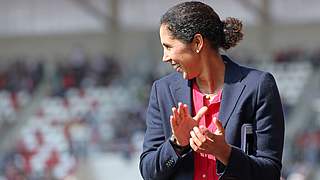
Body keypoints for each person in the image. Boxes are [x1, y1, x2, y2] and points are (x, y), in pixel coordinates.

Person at [139, 1, 284, 180]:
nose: (164, 57)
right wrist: (177, 144)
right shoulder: (162, 90)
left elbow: (270, 173)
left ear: (197, 43)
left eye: (168, 46)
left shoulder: (259, 86)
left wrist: (225, 153)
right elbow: (148, 172)